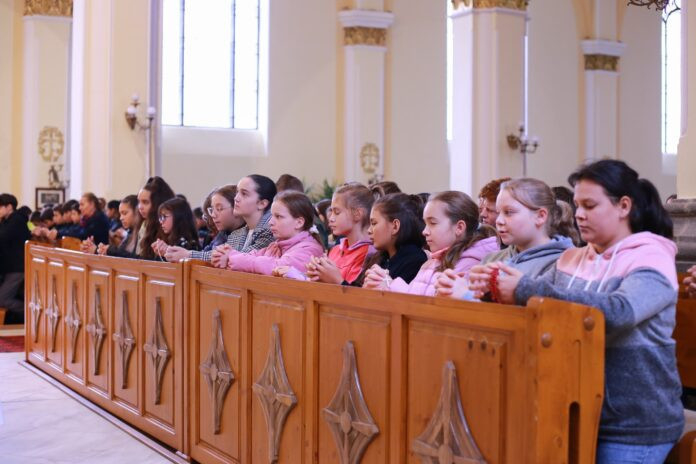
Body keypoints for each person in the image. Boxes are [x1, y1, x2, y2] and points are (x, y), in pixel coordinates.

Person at [468, 160, 683, 463]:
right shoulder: (573, 258)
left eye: (590, 205)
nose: (579, 214)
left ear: (623, 206)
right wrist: (492, 291)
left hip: (633, 424)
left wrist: (523, 288)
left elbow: (619, 313)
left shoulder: (651, 257)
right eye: (578, 205)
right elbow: (539, 311)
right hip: (569, 411)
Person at [436, 178, 576, 299]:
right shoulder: (491, 259)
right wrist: (452, 288)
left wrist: (466, 296)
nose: (499, 221)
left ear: (540, 216)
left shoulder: (561, 263)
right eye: (498, 212)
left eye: (508, 212)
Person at [363, 191, 498, 296]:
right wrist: (382, 283)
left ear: (459, 227)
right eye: (425, 223)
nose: (425, 231)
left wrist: (388, 284)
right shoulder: (431, 263)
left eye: (432, 223)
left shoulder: (472, 264)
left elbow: (430, 309)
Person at [224, 191, 324, 275]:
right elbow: (250, 256)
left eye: (278, 216)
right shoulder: (275, 246)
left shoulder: (310, 250)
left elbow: (276, 267)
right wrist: (226, 254)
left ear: (299, 222)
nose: (270, 222)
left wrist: (231, 258)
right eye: (272, 216)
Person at [305, 182, 375, 284]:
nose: (331, 218)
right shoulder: (336, 249)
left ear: (357, 214)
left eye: (337, 212)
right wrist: (317, 275)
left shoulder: (369, 253)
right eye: (331, 211)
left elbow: (353, 291)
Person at [353, 193, 427, 287]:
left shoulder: (415, 261)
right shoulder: (379, 257)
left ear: (395, 226)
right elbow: (355, 290)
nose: (369, 230)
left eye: (374, 223)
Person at [211, 175, 277, 267]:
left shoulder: (271, 230)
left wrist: (189, 254)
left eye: (244, 194)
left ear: (262, 204)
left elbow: (243, 258)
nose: (236, 198)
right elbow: (218, 255)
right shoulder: (236, 234)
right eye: (237, 192)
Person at [0, 193, 31, 324]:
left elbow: (3, 237)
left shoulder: (17, 220)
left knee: (2, 299)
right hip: (9, 267)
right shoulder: (6, 221)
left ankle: (30, 312)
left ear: (9, 207)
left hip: (17, 268)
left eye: (0, 207)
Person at [137, 176, 176, 260]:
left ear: (158, 204)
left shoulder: (170, 227)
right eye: (139, 202)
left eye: (145, 202)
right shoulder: (144, 224)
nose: (140, 207)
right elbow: (140, 258)